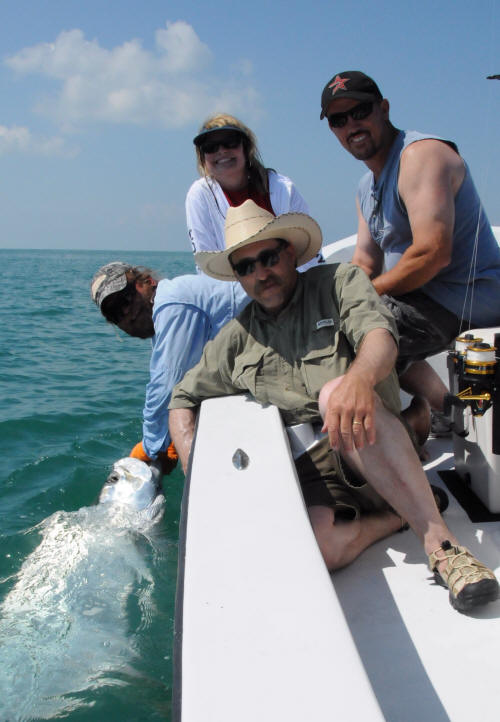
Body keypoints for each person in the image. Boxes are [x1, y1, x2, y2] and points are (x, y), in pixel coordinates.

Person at [168, 200, 498, 613]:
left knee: (335, 393)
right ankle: (396, 517)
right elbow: (182, 397)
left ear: (290, 253)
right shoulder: (237, 335)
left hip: (370, 440)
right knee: (316, 551)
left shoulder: (340, 282)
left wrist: (358, 381)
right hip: (315, 471)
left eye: (268, 257)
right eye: (245, 266)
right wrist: (196, 469)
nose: (260, 273)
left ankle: (443, 546)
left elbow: (380, 336)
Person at [319, 70, 500, 425]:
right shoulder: (364, 187)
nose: (351, 125)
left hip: (465, 299)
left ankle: (396, 435)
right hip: (421, 300)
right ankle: (440, 409)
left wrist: (366, 297)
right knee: (330, 324)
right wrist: (328, 301)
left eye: (360, 112)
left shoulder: (420, 156)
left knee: (349, 340)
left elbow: (433, 253)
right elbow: (365, 262)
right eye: (339, 119)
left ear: (383, 109)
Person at [90, 262, 249, 470]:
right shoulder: (164, 314)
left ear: (147, 282)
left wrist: (150, 448)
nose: (127, 312)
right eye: (115, 312)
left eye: (125, 298)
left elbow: (167, 384)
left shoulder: (171, 304)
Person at [185, 112, 324, 270]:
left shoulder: (284, 188)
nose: (221, 151)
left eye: (230, 142)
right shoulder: (199, 195)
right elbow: (205, 264)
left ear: (246, 147)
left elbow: (310, 251)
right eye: (210, 147)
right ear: (202, 157)